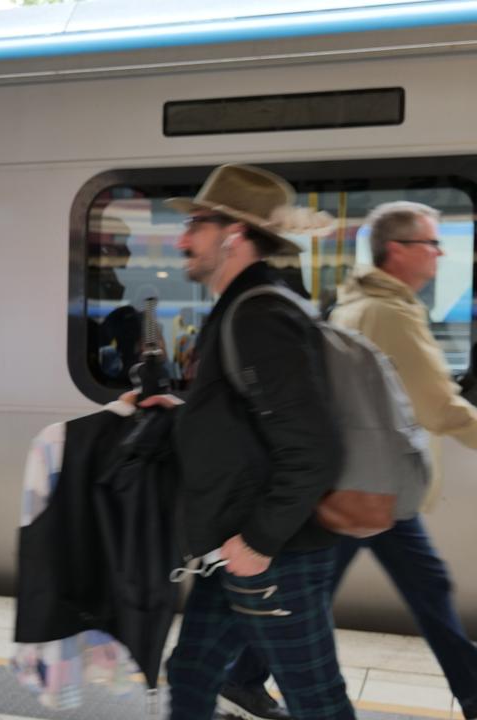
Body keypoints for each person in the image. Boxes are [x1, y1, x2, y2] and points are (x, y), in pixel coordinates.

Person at [222, 201, 477, 720]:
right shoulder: (389, 313)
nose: (439, 253)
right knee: (426, 589)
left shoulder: (357, 302)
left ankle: (242, 676)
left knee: (331, 586)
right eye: (431, 243)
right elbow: (438, 406)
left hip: (358, 480)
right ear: (399, 250)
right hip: (374, 486)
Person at [144, 164, 355, 720]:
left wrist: (258, 542)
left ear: (233, 234)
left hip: (271, 555)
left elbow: (314, 449)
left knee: (318, 701)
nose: (183, 239)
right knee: (190, 671)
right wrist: (186, 413)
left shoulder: (259, 314)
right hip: (235, 547)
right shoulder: (244, 305)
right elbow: (254, 416)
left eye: (195, 224)